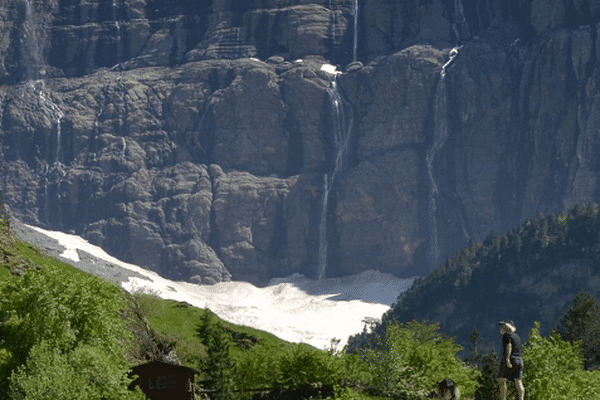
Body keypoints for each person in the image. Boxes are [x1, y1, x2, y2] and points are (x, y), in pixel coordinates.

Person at [497, 320, 525, 400]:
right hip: (519, 360)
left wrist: (507, 359)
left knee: (501, 380)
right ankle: (521, 398)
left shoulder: (507, 335)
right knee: (518, 382)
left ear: (506, 327)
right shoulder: (516, 336)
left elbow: (509, 346)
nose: (501, 328)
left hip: (512, 359)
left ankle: (503, 398)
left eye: (502, 327)